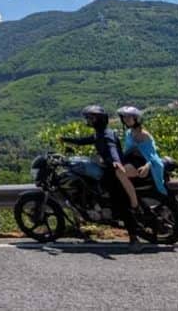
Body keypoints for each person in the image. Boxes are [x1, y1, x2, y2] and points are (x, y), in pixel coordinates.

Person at [61, 105, 141, 249]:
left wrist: (116, 161)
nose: (89, 120)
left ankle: (134, 238)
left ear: (100, 120)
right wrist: (66, 139)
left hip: (113, 171)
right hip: (107, 169)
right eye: (88, 117)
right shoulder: (99, 133)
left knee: (120, 204)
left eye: (91, 118)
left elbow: (111, 147)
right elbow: (84, 141)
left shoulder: (106, 134)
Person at [117, 106, 167, 197]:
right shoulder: (129, 133)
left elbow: (152, 154)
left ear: (136, 119)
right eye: (124, 117)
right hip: (131, 160)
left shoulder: (143, 135)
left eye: (129, 117)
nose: (125, 119)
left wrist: (147, 166)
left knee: (119, 172)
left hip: (141, 162)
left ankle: (134, 203)